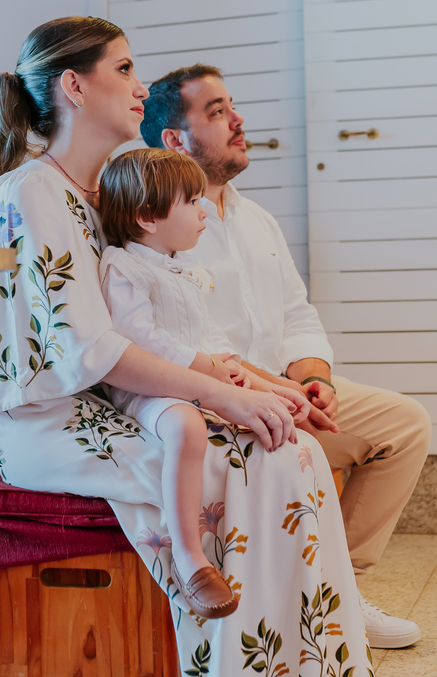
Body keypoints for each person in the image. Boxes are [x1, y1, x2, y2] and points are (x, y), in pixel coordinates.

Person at [0, 16, 375, 674]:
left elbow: (162, 328)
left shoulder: (98, 192)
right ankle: (245, 657)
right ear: (73, 84)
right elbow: (87, 348)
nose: (140, 84)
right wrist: (221, 397)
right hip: (48, 423)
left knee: (285, 443)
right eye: (124, 68)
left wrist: (254, 387)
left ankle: (307, 656)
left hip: (115, 402)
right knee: (250, 459)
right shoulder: (29, 192)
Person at [141, 63, 433, 649]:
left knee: (404, 425)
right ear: (175, 139)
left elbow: (298, 314)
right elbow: (183, 338)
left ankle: (339, 588)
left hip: (288, 388)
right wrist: (276, 390)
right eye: (217, 111)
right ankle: (317, 594)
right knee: (288, 430)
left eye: (232, 106)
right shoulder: (156, 224)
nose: (238, 119)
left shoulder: (258, 220)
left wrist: (314, 377)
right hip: (221, 398)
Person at [97, 148, 313, 617]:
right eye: (192, 201)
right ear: (147, 215)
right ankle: (189, 556)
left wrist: (257, 381)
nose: (203, 212)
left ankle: (276, 571)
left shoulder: (185, 270)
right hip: (148, 388)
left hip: (196, 378)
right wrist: (207, 367)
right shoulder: (123, 267)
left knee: (281, 407)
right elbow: (140, 337)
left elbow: (210, 335)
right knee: (185, 427)